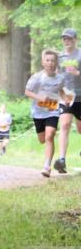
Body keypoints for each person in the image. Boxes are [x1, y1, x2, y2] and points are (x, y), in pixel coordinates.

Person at [24, 49, 71, 177]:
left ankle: (47, 167)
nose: (50, 63)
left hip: (52, 110)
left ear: (56, 63)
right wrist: (39, 98)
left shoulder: (60, 78)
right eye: (47, 60)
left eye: (53, 61)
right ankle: (47, 157)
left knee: (50, 135)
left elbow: (60, 90)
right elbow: (27, 92)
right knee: (43, 139)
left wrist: (65, 99)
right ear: (43, 62)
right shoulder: (37, 77)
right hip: (38, 112)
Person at [55, 28, 81, 173]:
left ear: (75, 39)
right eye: (64, 38)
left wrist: (78, 73)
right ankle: (62, 160)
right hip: (66, 96)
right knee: (64, 125)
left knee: (80, 129)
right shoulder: (60, 57)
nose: (66, 41)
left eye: (69, 38)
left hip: (80, 95)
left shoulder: (80, 54)